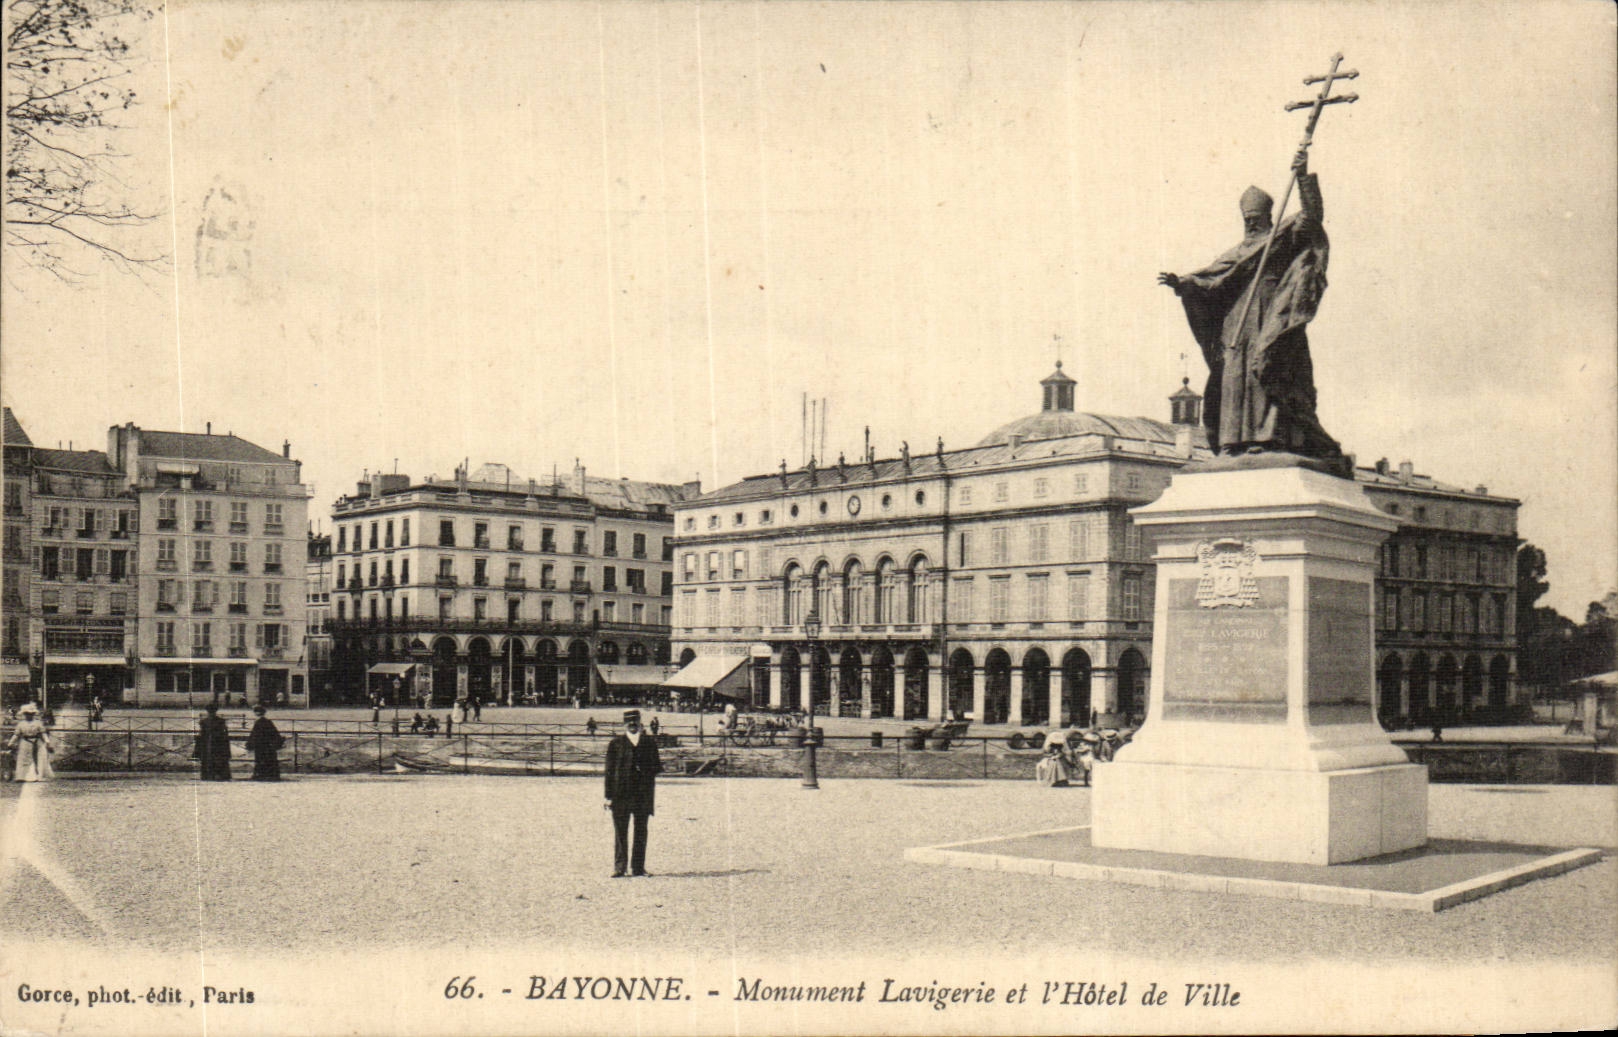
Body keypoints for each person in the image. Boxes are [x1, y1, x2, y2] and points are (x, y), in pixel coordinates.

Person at [1158, 149, 1343, 463]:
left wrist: (1302, 177)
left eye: (1256, 219)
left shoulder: (1283, 235)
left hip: (1274, 312)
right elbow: (1213, 279)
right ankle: (1233, 439)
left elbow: (1312, 218)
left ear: (1268, 216)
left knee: (1266, 369)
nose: (1251, 223)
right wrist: (1183, 283)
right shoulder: (1237, 251)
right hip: (1237, 320)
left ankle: (1270, 436)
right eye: (1247, 219)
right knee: (1233, 376)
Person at [604, 709, 662, 878]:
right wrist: (608, 796)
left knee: (641, 831)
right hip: (620, 795)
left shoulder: (649, 743)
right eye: (629, 722)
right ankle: (619, 867)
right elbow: (608, 772)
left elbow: (657, 767)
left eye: (635, 721)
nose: (632, 725)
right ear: (624, 724)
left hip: (642, 795)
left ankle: (638, 868)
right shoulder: (615, 744)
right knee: (620, 831)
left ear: (640, 722)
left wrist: (643, 769)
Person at [7, 703, 55, 782]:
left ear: (33, 714)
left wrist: (47, 742)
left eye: (31, 714)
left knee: (36, 759)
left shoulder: (38, 723)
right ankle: (21, 777)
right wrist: (10, 743)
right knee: (23, 759)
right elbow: (16, 734)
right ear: (24, 714)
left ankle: (35, 776)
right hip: (24, 743)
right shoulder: (21, 724)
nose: (29, 715)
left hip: (36, 742)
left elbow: (43, 733)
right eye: (27, 714)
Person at [244, 705, 285, 782]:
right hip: (269, 746)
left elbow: (254, 735)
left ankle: (261, 775)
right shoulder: (268, 722)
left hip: (260, 746)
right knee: (269, 761)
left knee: (260, 761)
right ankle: (271, 775)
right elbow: (275, 734)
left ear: (256, 713)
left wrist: (249, 744)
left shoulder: (258, 723)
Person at [195, 703, 232, 781]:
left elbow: (201, 735)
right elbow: (225, 735)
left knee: (209, 759)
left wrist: (198, 749)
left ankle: (208, 775)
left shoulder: (204, 722)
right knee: (218, 759)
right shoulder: (221, 721)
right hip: (218, 744)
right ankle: (218, 775)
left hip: (208, 744)